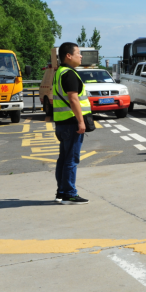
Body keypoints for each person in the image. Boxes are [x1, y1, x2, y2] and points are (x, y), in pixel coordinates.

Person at [51, 42, 91, 205]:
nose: (81, 56)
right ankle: (69, 193)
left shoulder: (60, 72)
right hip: (71, 124)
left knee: (64, 159)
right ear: (68, 56)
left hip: (62, 123)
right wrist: (81, 122)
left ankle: (61, 191)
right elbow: (73, 99)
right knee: (71, 159)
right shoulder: (70, 74)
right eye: (78, 53)